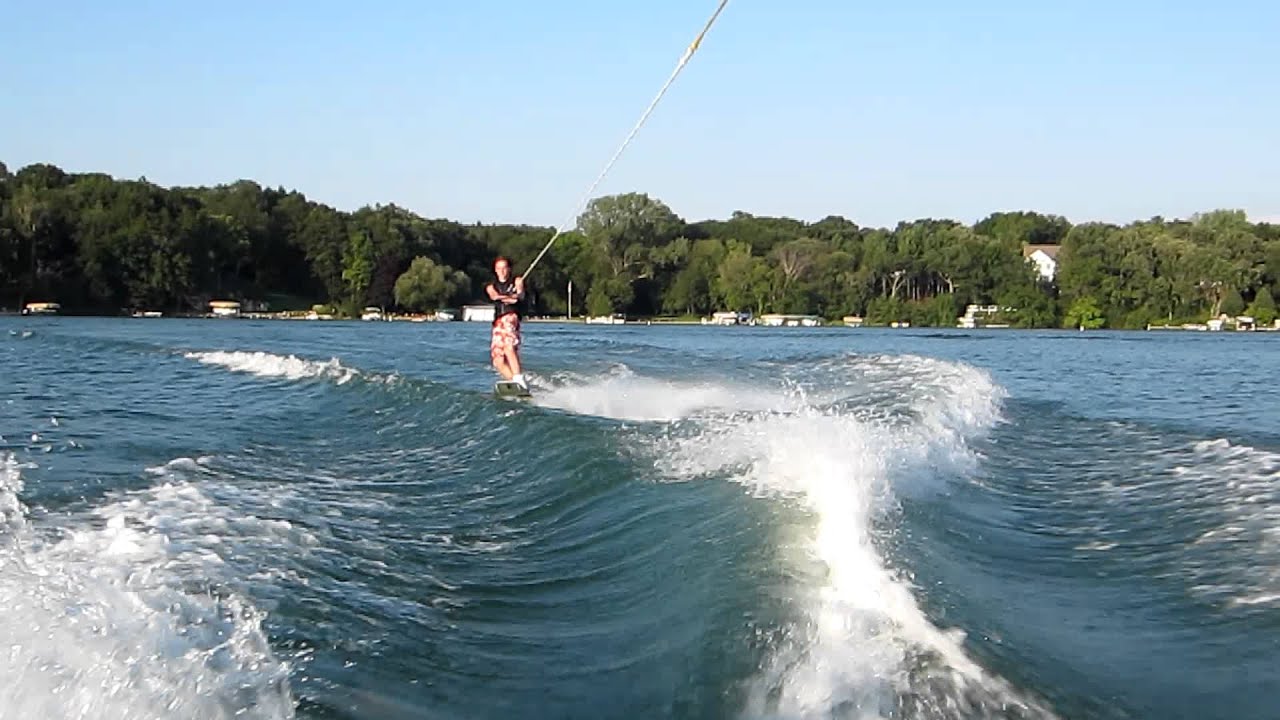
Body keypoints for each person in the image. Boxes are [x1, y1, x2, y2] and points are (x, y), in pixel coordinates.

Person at [485, 256, 527, 389]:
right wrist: (509, 298)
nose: (502, 271)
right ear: (495, 270)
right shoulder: (491, 287)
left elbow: (520, 295)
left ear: (509, 269)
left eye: (504, 268)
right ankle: (516, 383)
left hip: (510, 317)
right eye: (499, 268)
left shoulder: (516, 281)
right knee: (497, 361)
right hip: (498, 322)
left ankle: (519, 378)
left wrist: (516, 296)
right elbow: (494, 296)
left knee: (509, 347)